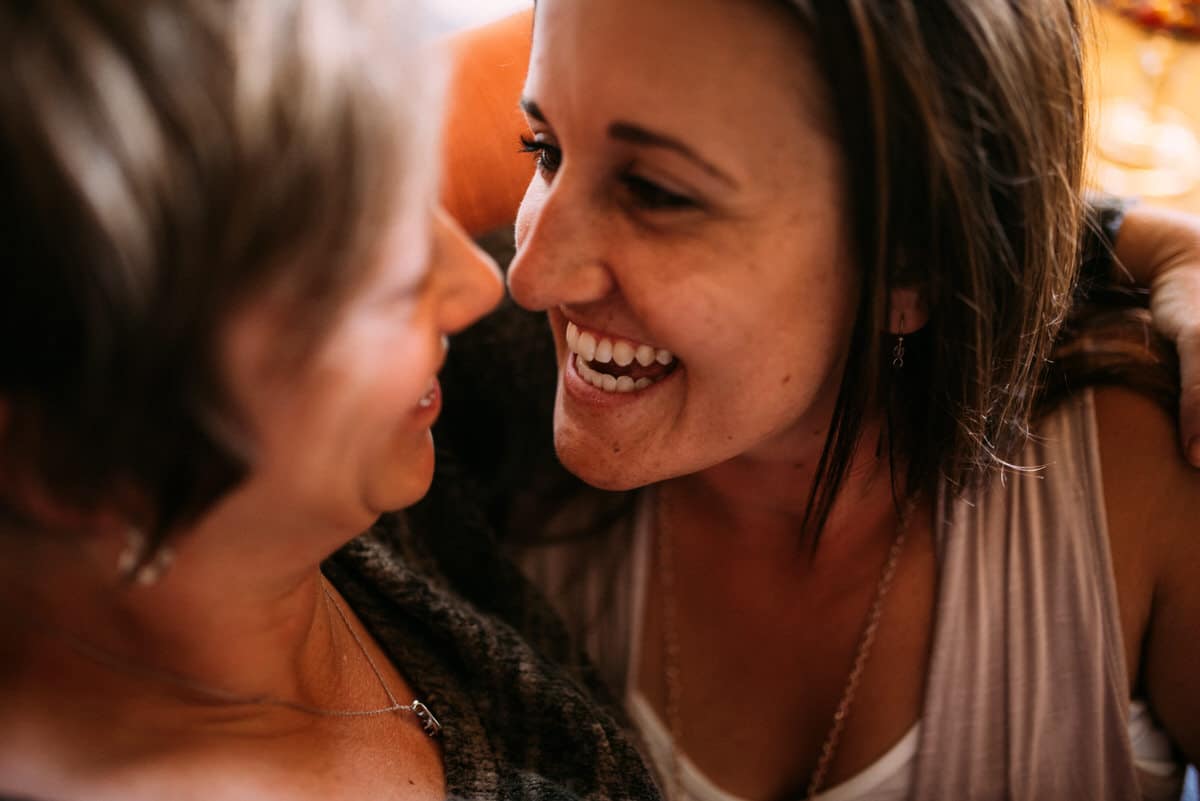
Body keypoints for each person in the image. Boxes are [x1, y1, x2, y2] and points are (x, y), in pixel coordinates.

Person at [433, 1, 1200, 799]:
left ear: (912, 264)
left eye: (655, 193)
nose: (530, 276)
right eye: (544, 150)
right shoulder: (461, 432)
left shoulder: (1143, 484)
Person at [0, 2, 660, 799]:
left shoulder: (356, 472)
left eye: (418, 206)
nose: (483, 285)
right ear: (75, 462)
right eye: (375, 280)